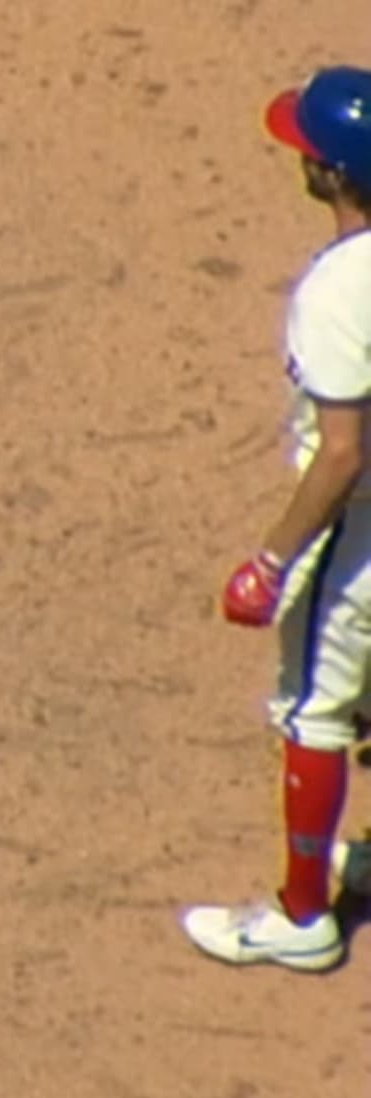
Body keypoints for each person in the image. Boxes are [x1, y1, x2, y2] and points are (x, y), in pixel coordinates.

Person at [182, 66, 371, 972]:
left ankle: (302, 920)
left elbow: (342, 453)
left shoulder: (339, 291)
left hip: (358, 536)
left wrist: (271, 560)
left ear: (334, 175)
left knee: (314, 713)